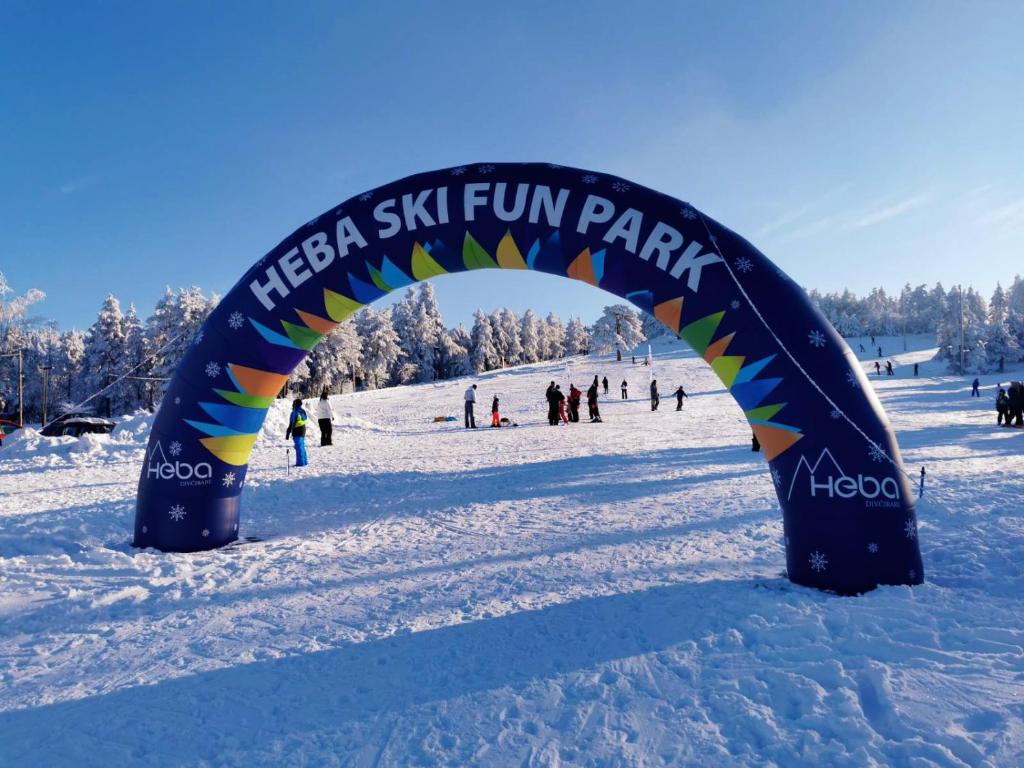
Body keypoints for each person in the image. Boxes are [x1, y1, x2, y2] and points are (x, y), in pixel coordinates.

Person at [285, 398, 309, 467]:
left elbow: (291, 423)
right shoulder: (302, 411)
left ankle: (300, 463)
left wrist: (288, 433)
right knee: (301, 446)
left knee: (298, 447)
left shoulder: (294, 412)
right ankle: (304, 461)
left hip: (297, 430)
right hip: (303, 429)